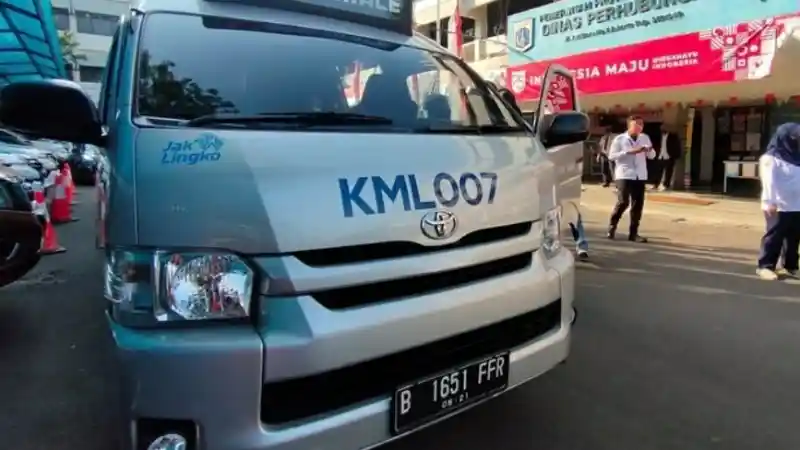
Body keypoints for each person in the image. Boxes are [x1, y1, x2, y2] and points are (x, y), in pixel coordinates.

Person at [756, 122, 800, 280]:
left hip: (796, 204)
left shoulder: (796, 156)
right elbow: (769, 181)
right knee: (775, 236)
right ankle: (765, 266)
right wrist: (770, 201)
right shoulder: (771, 158)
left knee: (793, 238)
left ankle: (790, 266)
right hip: (778, 205)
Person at [606, 115, 656, 242]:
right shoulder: (619, 139)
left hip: (640, 175)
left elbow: (652, 156)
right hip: (624, 174)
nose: (639, 126)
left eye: (641, 124)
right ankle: (612, 226)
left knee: (637, 204)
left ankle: (633, 233)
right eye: (637, 124)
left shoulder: (645, 138)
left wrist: (649, 150)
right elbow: (611, 156)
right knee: (623, 202)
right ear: (629, 125)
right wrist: (629, 152)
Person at [652, 123, 682, 191]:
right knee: (657, 171)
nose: (662, 129)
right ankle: (656, 184)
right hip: (660, 156)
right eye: (661, 128)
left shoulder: (673, 136)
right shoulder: (658, 136)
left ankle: (666, 185)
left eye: (664, 128)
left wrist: (676, 155)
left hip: (669, 156)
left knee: (669, 172)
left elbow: (677, 146)